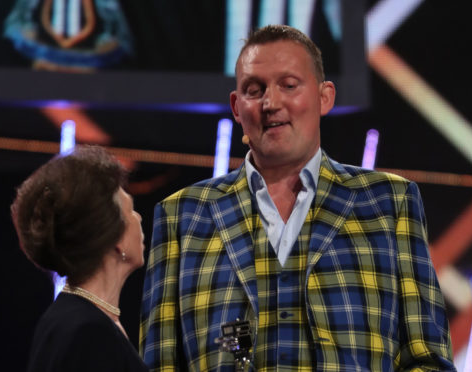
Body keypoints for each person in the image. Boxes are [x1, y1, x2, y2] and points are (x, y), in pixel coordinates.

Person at [140, 25, 455, 371]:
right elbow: (160, 363)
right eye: (254, 90)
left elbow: (428, 359)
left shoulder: (389, 203)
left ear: (325, 97)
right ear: (236, 106)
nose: (271, 103)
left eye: (288, 85)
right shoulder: (182, 216)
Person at [11, 145, 148, 372]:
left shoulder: (81, 318)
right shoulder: (88, 332)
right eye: (130, 210)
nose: (139, 217)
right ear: (116, 239)